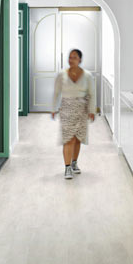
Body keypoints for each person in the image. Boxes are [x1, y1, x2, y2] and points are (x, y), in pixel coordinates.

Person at [51, 48, 95, 180]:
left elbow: (92, 94)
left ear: (80, 59)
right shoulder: (61, 75)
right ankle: (67, 167)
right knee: (68, 138)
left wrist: (92, 111)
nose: (71, 60)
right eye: (70, 57)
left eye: (74, 57)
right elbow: (56, 92)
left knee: (77, 139)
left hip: (82, 109)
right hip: (67, 109)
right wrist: (54, 108)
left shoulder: (87, 76)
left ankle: (75, 162)